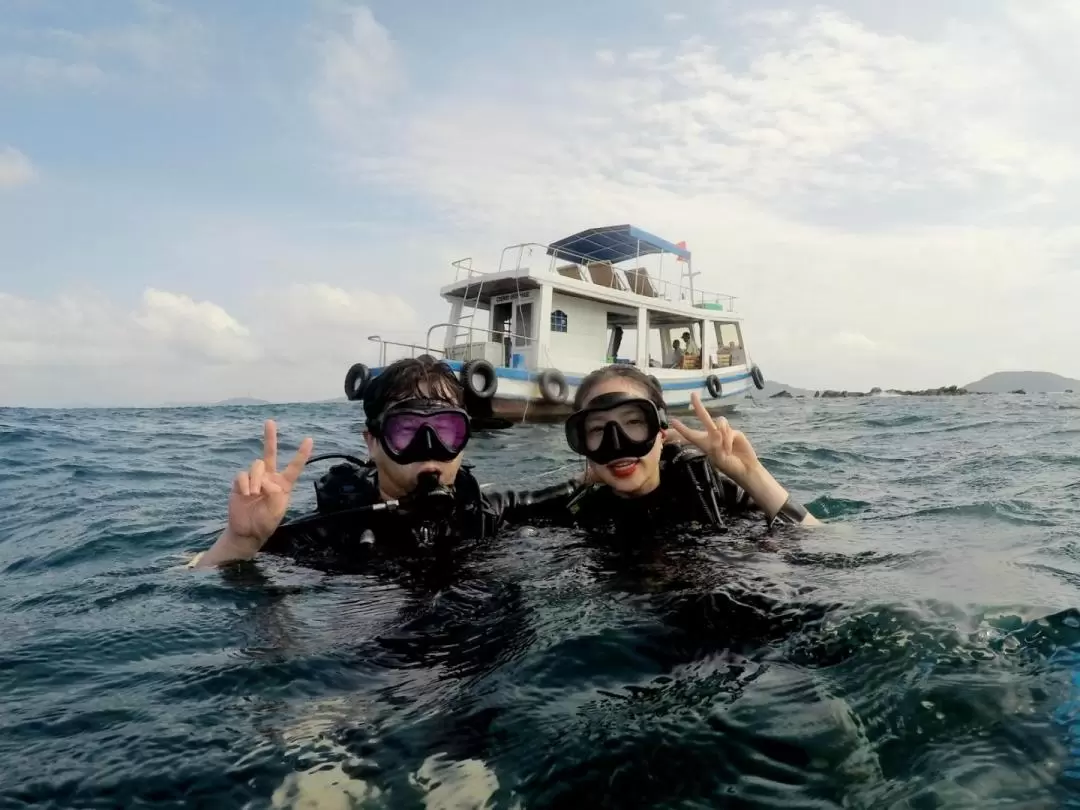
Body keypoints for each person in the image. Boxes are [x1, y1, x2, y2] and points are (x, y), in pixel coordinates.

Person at [190, 357, 577, 570]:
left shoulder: (484, 513)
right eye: (407, 431)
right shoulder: (333, 530)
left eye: (446, 430)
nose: (430, 449)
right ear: (372, 442)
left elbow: (573, 491)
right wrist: (240, 543)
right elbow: (192, 577)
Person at [558, 365, 819, 537]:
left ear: (661, 431)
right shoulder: (578, 513)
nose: (617, 444)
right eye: (597, 430)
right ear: (581, 441)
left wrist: (751, 473)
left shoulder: (705, 488)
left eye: (634, 422)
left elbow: (826, 551)